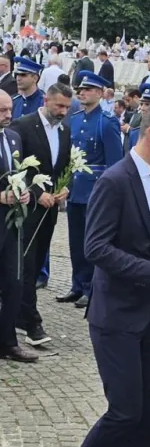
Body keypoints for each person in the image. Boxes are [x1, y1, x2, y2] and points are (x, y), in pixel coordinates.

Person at [73, 98, 150, 447]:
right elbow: (94, 248)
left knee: (145, 418)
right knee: (124, 413)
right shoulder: (115, 180)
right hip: (116, 317)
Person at [11, 81, 72, 347]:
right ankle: (29, 320)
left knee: (35, 265)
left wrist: (64, 188)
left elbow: (63, 166)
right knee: (24, 264)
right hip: (25, 209)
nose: (63, 111)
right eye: (59, 105)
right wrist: (36, 193)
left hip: (49, 213)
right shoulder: (22, 126)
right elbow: (13, 171)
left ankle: (17, 312)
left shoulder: (65, 131)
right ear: (46, 100)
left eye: (67, 107)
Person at [61, 71, 124, 309]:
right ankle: (78, 285)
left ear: (99, 93)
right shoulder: (74, 118)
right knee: (76, 241)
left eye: (87, 90)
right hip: (75, 188)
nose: (81, 93)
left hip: (96, 190)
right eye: (80, 89)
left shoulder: (106, 122)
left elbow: (114, 163)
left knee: (93, 242)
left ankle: (92, 288)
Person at [0, 90, 32, 362]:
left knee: (14, 281)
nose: (9, 115)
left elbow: (20, 175)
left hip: (11, 226)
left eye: (10, 109)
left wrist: (25, 192)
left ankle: (8, 342)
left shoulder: (13, 138)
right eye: (2, 111)